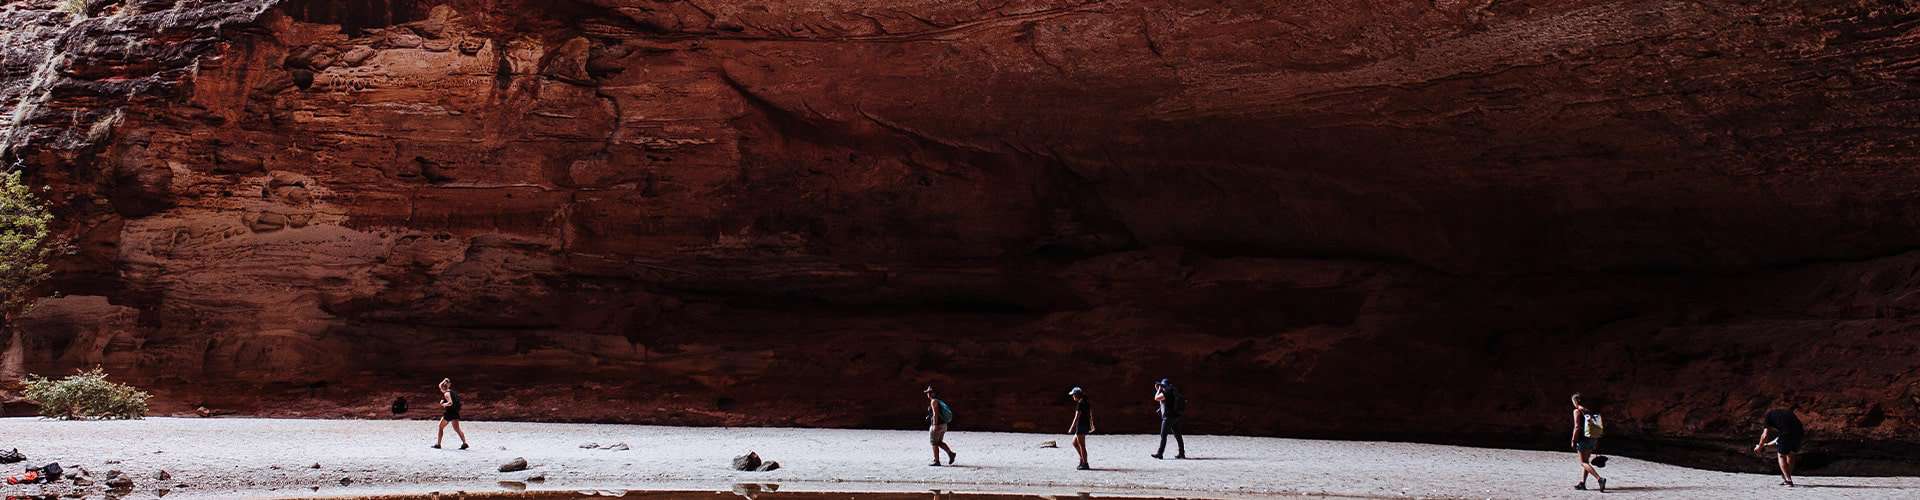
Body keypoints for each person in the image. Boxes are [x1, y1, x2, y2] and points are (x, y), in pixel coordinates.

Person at [1755, 403, 1806, 487]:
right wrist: (1765, 445)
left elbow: (1765, 435)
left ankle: (1788, 480)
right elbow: (1779, 439)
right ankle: (1787, 477)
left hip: (1787, 434)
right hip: (1799, 432)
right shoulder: (1786, 414)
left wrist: (1759, 447)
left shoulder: (1768, 416)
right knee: (1791, 454)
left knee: (1781, 455)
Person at [1570, 393, 1605, 492]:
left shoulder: (1577, 411)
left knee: (1583, 462)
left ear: (1575, 402)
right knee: (1586, 462)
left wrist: (1573, 440)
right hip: (1593, 438)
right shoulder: (1589, 411)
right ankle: (1583, 483)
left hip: (1582, 439)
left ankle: (1599, 479)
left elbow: (1577, 427)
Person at [1151, 378, 1187, 459]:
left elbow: (1156, 398)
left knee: (1163, 435)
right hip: (1175, 416)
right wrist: (1160, 389)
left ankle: (1160, 453)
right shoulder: (1173, 391)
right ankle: (1182, 453)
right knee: (1178, 435)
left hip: (1168, 418)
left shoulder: (1166, 393)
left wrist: (1158, 390)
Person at [925, 386, 958, 466]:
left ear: (933, 393)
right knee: (939, 442)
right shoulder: (939, 401)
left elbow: (936, 414)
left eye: (929, 392)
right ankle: (951, 454)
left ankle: (937, 461)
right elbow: (936, 413)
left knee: (934, 443)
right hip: (943, 425)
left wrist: (935, 425)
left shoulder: (933, 401)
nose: (928, 394)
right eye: (927, 392)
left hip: (938, 425)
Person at [431, 378, 468, 450]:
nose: (440, 389)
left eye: (440, 388)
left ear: (442, 387)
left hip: (449, 413)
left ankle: (438, 444)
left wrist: (444, 404)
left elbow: (450, 402)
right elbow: (452, 400)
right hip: (455, 413)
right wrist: (443, 401)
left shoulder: (446, 393)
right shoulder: (451, 392)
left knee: (440, 427)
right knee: (457, 429)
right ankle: (464, 443)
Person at [1067, 387, 1095, 470]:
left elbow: (1077, 417)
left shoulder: (1080, 404)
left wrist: (1071, 427)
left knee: (1081, 445)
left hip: (1081, 426)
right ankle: (1082, 459)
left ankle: (1085, 464)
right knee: (1074, 442)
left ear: (1077, 395)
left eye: (1073, 395)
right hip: (1084, 425)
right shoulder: (1085, 402)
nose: (1072, 396)